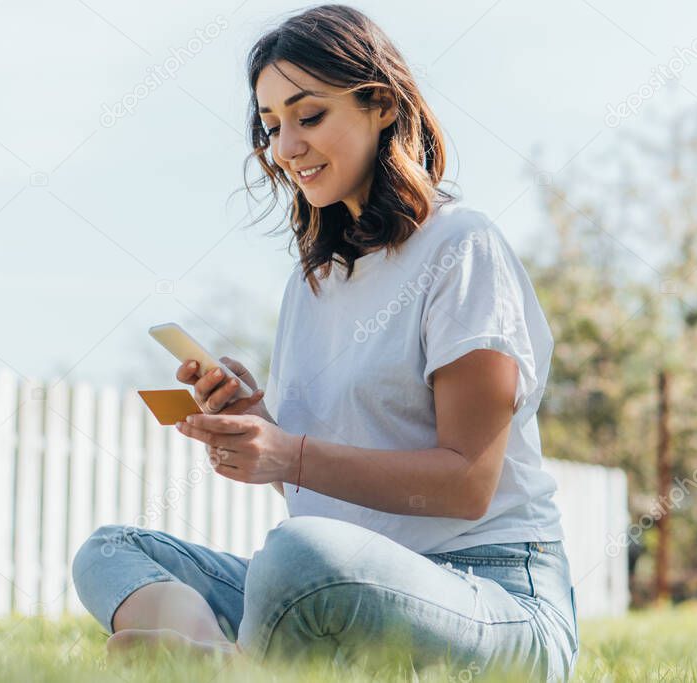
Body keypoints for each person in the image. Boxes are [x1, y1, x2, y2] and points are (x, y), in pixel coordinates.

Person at [72, 4, 579, 680]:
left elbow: (466, 484)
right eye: (272, 125)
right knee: (109, 551)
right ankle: (216, 662)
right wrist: (259, 427)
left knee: (297, 555)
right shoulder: (311, 285)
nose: (286, 147)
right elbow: (329, 495)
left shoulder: (462, 248)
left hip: (491, 597)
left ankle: (234, 667)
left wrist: (294, 455)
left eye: (309, 117)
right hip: (351, 586)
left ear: (379, 104)